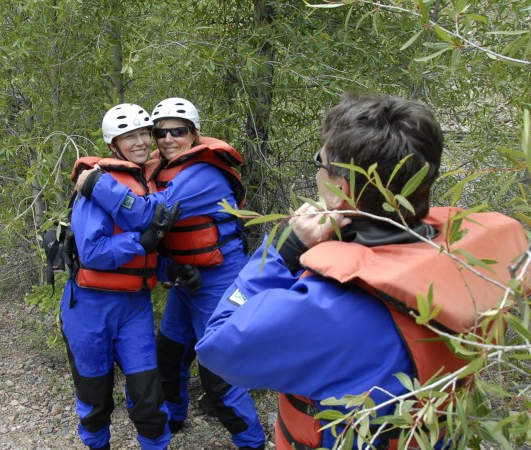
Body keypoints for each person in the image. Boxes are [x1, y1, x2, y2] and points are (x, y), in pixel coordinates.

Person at [195, 92, 528, 449]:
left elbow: (218, 347)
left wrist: (284, 251)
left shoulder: (323, 307)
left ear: (339, 190)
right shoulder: (473, 260)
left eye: (319, 163)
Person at [78, 98, 266, 450]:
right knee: (169, 356)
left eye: (177, 131)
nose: (166, 139)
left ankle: (251, 442)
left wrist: (95, 183)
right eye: (159, 132)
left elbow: (148, 215)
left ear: (195, 134)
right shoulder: (163, 168)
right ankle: (177, 419)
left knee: (218, 372)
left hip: (219, 280)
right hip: (186, 278)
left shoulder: (203, 174)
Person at [61, 103, 180, 450]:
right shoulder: (96, 187)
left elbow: (144, 253)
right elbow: (94, 253)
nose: (141, 142)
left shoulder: (146, 185)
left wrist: (167, 269)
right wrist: (140, 241)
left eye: (145, 133)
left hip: (134, 307)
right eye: (130, 137)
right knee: (95, 400)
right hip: (89, 307)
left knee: (148, 397)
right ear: (115, 143)